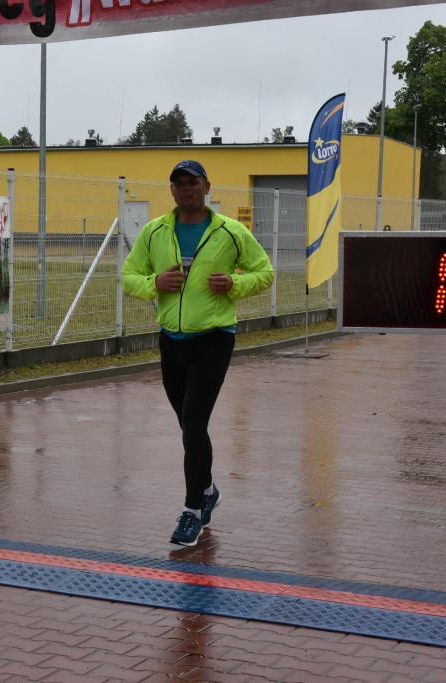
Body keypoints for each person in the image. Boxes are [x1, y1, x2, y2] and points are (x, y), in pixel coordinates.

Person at [121, 160, 274, 546]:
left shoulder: (230, 232)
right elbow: (128, 276)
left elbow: (265, 272)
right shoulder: (155, 231)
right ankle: (208, 489)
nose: (186, 189)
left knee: (193, 421)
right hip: (171, 339)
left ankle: (192, 512)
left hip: (214, 338)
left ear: (207, 187)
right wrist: (154, 282)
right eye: (179, 183)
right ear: (171, 190)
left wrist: (236, 284)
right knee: (189, 426)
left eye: (193, 182)